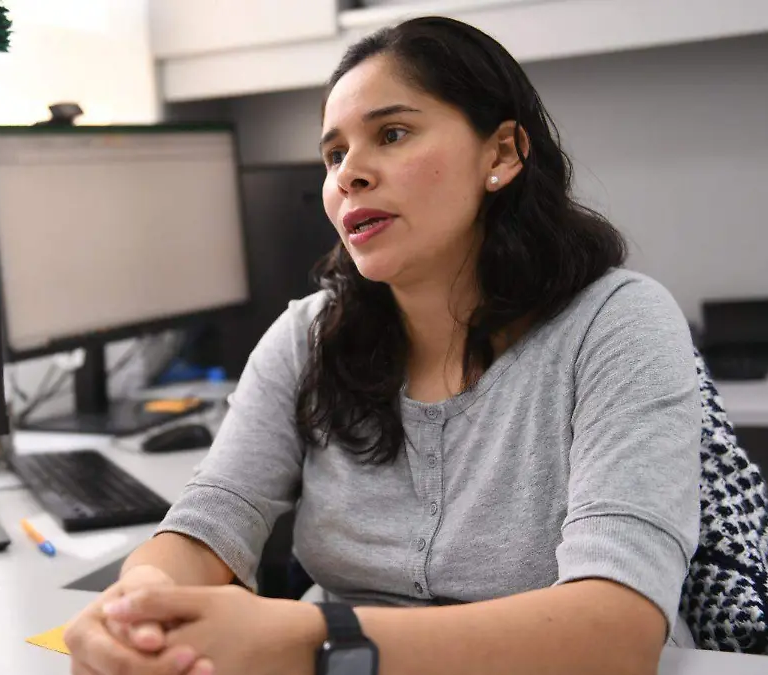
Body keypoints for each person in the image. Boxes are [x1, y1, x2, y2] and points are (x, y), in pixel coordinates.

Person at [65, 15, 701, 675]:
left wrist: (313, 637)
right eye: (334, 154)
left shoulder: (618, 322)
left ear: (503, 154)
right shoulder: (306, 336)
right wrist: (139, 606)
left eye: (391, 134)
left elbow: (618, 634)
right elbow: (209, 520)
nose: (349, 175)